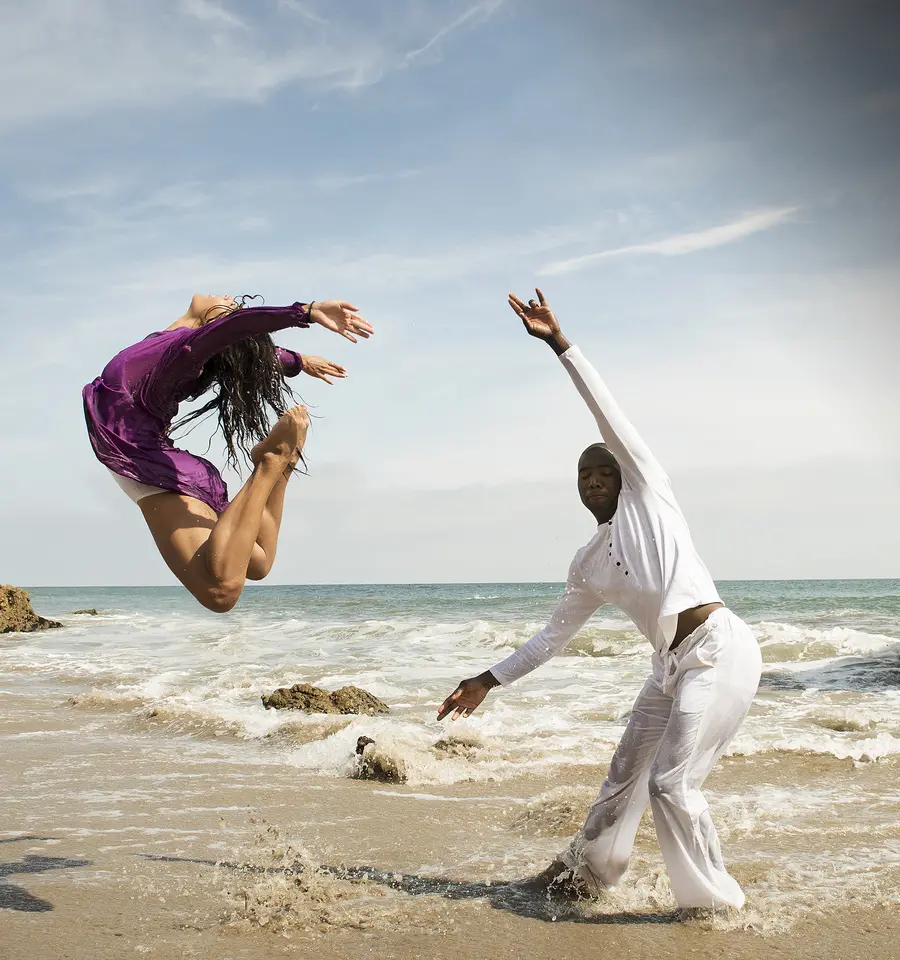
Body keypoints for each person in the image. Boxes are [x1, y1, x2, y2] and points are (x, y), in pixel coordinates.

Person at [437, 289, 762, 912]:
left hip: (717, 650)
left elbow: (607, 416)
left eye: (604, 471)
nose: (594, 479)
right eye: (584, 475)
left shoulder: (650, 495)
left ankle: (718, 904)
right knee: (622, 775)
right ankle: (590, 872)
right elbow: (550, 639)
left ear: (623, 476)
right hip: (667, 665)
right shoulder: (588, 563)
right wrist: (486, 679)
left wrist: (561, 345)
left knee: (670, 784)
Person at [83, 293, 372, 613]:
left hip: (147, 462)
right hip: (150, 461)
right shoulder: (176, 345)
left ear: (215, 322)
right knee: (258, 562)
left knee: (221, 593)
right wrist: (299, 361)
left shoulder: (182, 352)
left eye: (230, 306)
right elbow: (238, 349)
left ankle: (272, 461)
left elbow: (235, 331)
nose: (228, 297)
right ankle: (280, 467)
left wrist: (306, 312)